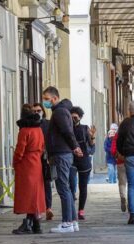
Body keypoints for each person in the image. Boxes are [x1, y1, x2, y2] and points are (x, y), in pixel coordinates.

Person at [42, 86, 83, 233]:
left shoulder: (59, 112)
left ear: (54, 98)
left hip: (61, 153)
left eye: (46, 99)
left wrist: (75, 146)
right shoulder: (62, 111)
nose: (45, 102)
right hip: (62, 153)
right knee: (66, 188)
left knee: (63, 188)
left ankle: (67, 223)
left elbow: (66, 131)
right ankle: (72, 222)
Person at [12, 104, 45, 234]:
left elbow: (20, 150)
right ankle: (36, 223)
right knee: (35, 193)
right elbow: (42, 147)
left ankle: (28, 224)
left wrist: (15, 162)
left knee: (28, 194)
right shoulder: (39, 130)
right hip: (37, 162)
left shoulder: (24, 131)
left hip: (26, 164)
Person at [69, 106, 96, 220]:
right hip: (71, 160)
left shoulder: (85, 128)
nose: (74, 119)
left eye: (76, 117)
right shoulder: (67, 129)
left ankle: (81, 210)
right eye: (72, 117)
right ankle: (71, 210)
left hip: (84, 161)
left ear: (80, 117)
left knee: (83, 187)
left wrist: (93, 136)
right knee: (71, 186)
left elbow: (92, 147)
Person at [32, 103, 54, 220]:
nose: (37, 113)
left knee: (46, 183)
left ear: (43, 112)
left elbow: (52, 139)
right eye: (34, 111)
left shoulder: (48, 124)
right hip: (34, 159)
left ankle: (48, 208)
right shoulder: (30, 125)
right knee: (36, 184)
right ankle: (38, 209)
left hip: (46, 158)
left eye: (39, 110)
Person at [111, 132, 127, 212]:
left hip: (120, 161)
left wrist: (117, 155)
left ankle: (123, 196)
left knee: (122, 183)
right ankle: (131, 203)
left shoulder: (117, 134)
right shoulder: (133, 132)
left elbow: (113, 150)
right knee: (132, 184)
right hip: (132, 161)